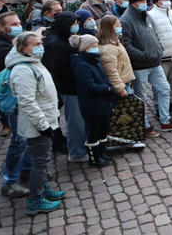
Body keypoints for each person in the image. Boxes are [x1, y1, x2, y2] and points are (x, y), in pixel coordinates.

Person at [7, 31, 66, 215]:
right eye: (35, 44)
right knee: (40, 162)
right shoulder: (23, 70)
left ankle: (42, 188)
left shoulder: (34, 62)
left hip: (46, 119)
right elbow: (27, 102)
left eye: (40, 43)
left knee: (42, 159)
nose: (40, 46)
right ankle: (35, 200)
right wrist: (43, 125)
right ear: (23, 48)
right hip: (38, 124)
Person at [121, 0, 172, 136]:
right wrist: (143, 55)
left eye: (145, 0)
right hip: (140, 65)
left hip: (155, 62)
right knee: (141, 97)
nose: (145, 3)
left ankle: (165, 120)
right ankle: (144, 125)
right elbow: (127, 45)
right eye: (141, 1)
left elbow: (154, 35)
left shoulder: (146, 16)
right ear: (133, 3)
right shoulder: (126, 20)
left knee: (164, 89)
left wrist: (159, 49)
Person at [0, 12, 31, 197]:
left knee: (29, 138)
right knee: (18, 141)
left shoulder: (14, 42)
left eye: (18, 22)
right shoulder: (0, 47)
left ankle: (27, 171)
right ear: (1, 27)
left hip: (24, 97)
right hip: (15, 100)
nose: (18, 26)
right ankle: (9, 181)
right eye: (13, 24)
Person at [42, 11, 88, 163]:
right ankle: (77, 152)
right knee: (75, 121)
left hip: (73, 86)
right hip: (68, 87)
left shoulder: (63, 39)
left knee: (78, 119)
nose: (76, 26)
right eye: (73, 23)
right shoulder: (56, 44)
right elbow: (58, 68)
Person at [69, 35, 118, 167]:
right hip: (92, 104)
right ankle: (95, 158)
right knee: (94, 131)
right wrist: (107, 89)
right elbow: (88, 86)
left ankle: (102, 153)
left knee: (103, 129)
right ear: (86, 48)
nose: (96, 48)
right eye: (93, 46)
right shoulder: (82, 65)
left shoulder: (95, 60)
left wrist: (109, 86)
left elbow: (104, 77)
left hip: (103, 102)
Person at [97, 15, 134, 99]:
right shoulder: (108, 47)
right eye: (117, 26)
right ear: (109, 28)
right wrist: (120, 89)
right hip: (121, 85)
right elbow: (111, 71)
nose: (120, 28)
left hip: (124, 82)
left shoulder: (115, 41)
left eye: (120, 25)